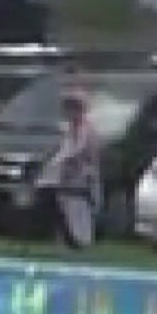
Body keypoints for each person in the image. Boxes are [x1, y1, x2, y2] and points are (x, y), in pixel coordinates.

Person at [56, 89, 102, 248]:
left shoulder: (87, 130)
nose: (68, 113)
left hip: (83, 181)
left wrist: (67, 159)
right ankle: (69, 241)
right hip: (67, 180)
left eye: (71, 108)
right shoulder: (67, 130)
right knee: (66, 208)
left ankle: (82, 242)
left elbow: (82, 151)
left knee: (81, 211)